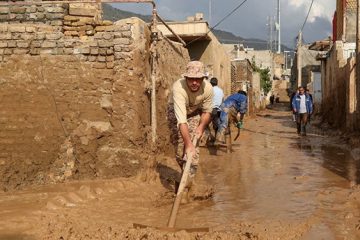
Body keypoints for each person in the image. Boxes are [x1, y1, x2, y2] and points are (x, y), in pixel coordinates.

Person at [167, 61, 213, 194]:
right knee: (182, 148)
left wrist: (201, 127)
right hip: (176, 112)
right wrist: (187, 144)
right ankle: (183, 172)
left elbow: (207, 112)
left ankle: (188, 186)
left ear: (202, 79)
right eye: (191, 79)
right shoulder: (179, 88)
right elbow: (181, 121)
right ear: (186, 78)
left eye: (198, 79)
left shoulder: (208, 88)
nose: (194, 83)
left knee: (193, 151)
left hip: (194, 112)